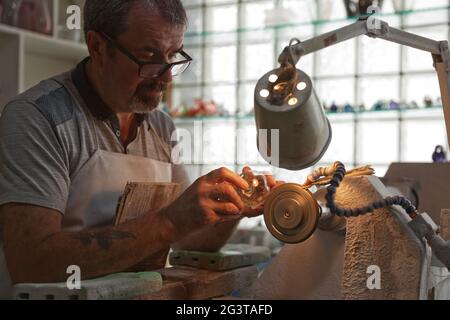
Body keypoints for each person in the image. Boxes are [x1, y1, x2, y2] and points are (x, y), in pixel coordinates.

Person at [0, 0, 278, 299]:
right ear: (97, 47)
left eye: (174, 56)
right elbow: (33, 262)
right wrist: (169, 221)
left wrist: (232, 207)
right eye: (150, 56)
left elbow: (190, 241)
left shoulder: (162, 127)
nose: (167, 77)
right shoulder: (38, 116)